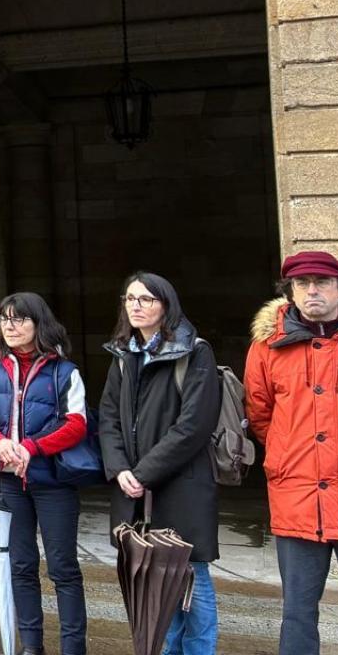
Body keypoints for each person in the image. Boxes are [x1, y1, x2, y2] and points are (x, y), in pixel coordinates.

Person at [100, 271, 221, 655]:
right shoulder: (123, 354)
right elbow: (108, 418)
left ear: (166, 305)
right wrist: (121, 470)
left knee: (191, 577)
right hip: (133, 489)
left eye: (147, 299)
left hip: (181, 486)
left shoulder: (195, 351)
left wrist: (143, 473)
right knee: (152, 583)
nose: (136, 305)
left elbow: (193, 426)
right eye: (130, 298)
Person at [0, 293, 89, 655]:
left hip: (54, 482)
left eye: (19, 320)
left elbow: (77, 424)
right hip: (9, 482)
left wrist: (31, 448)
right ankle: (31, 646)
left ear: (39, 324)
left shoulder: (65, 372)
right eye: (4, 319)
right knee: (20, 565)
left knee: (63, 568)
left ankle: (73, 648)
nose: (10, 326)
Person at [247, 251, 338, 655]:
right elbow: (259, 411)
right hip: (297, 496)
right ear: (289, 291)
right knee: (298, 611)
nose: (312, 291)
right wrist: (290, 453)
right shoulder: (268, 346)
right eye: (302, 284)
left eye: (322, 282)